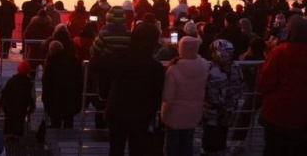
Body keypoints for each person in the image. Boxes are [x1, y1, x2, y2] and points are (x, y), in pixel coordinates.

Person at [257, 15, 307, 155]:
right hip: (303, 116)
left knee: (273, 150)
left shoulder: (279, 53)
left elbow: (264, 84)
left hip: (276, 114)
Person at [95, 22, 165, 156]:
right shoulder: (156, 68)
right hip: (141, 115)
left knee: (116, 148)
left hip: (117, 110)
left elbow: (99, 68)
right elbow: (157, 95)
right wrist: (151, 114)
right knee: (137, 149)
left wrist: (105, 93)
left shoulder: (119, 58)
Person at [161, 35, 209, 156]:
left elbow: (168, 96)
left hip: (174, 115)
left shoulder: (174, 68)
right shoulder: (204, 65)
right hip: (194, 112)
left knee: (172, 146)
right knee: (188, 143)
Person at [202, 39, 244, 156]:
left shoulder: (209, 68)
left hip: (214, 112)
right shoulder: (236, 68)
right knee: (220, 140)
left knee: (210, 143)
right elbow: (240, 88)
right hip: (225, 111)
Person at [42, 39, 82, 129]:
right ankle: (69, 136)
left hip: (55, 99)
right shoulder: (73, 61)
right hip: (71, 97)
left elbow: (46, 83)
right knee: (69, 121)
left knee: (55, 123)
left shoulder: (51, 64)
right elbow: (79, 79)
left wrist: (45, 99)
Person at [0, 60, 36, 141]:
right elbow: (31, 96)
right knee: (19, 120)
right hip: (22, 106)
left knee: (9, 119)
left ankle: (8, 134)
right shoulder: (29, 83)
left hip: (10, 106)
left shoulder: (12, 81)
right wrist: (32, 106)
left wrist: (1, 102)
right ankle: (17, 135)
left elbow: (5, 92)